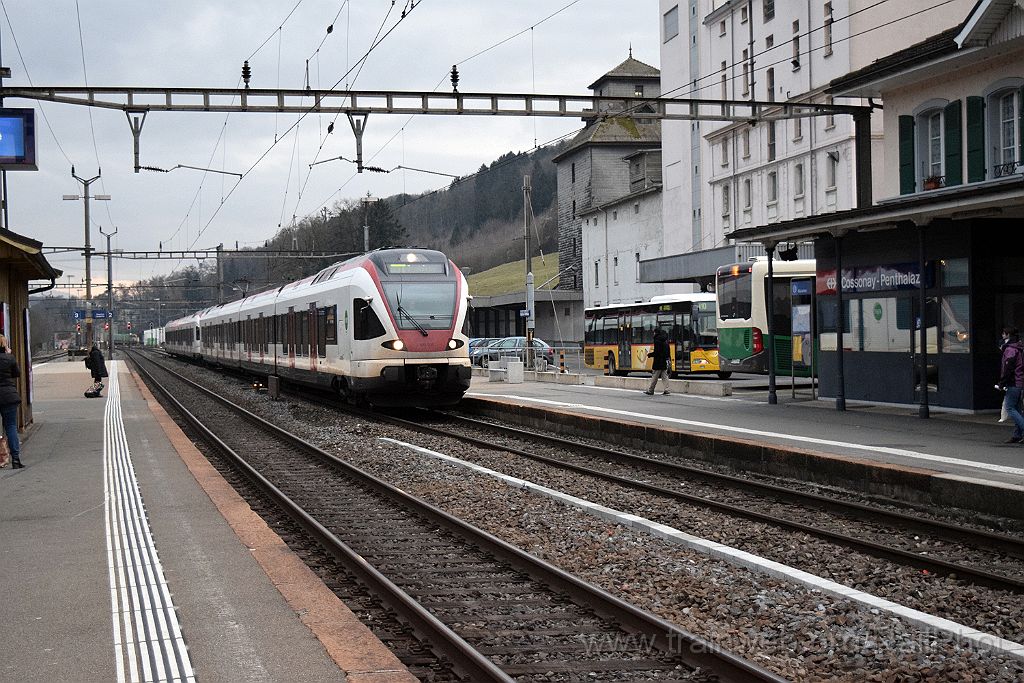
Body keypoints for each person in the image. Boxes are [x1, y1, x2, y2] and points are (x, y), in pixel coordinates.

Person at [0, 334, 23, 469]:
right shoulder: (9, 358)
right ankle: (15, 459)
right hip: (9, 396)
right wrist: (9, 356)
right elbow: (17, 373)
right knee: (11, 427)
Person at [998, 329, 1024, 443]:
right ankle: (1017, 434)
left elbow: (1008, 368)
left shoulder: (1010, 350)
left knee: (1009, 407)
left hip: (1014, 382)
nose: (1002, 335)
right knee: (1017, 408)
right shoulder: (1019, 348)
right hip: (1020, 381)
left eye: (1004, 333)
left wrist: (1002, 383)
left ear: (1008, 335)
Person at [644, 327, 671, 396]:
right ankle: (667, 390)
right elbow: (668, 351)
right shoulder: (665, 340)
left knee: (654, 376)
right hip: (663, 361)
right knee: (665, 376)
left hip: (658, 361)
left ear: (655, 333)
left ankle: (651, 390)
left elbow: (657, 352)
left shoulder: (657, 340)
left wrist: (650, 355)